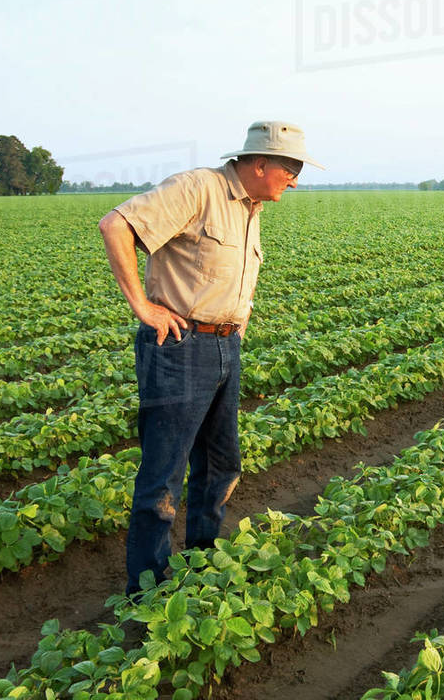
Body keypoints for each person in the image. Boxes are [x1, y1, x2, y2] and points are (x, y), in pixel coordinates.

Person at [98, 121, 325, 595]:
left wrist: (238, 317)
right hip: (180, 347)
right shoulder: (198, 188)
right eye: (290, 168)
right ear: (259, 163)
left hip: (225, 346)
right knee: (164, 474)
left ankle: (201, 564)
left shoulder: (250, 207)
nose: (295, 179)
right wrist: (143, 305)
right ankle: (149, 590)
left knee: (221, 464)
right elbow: (115, 224)